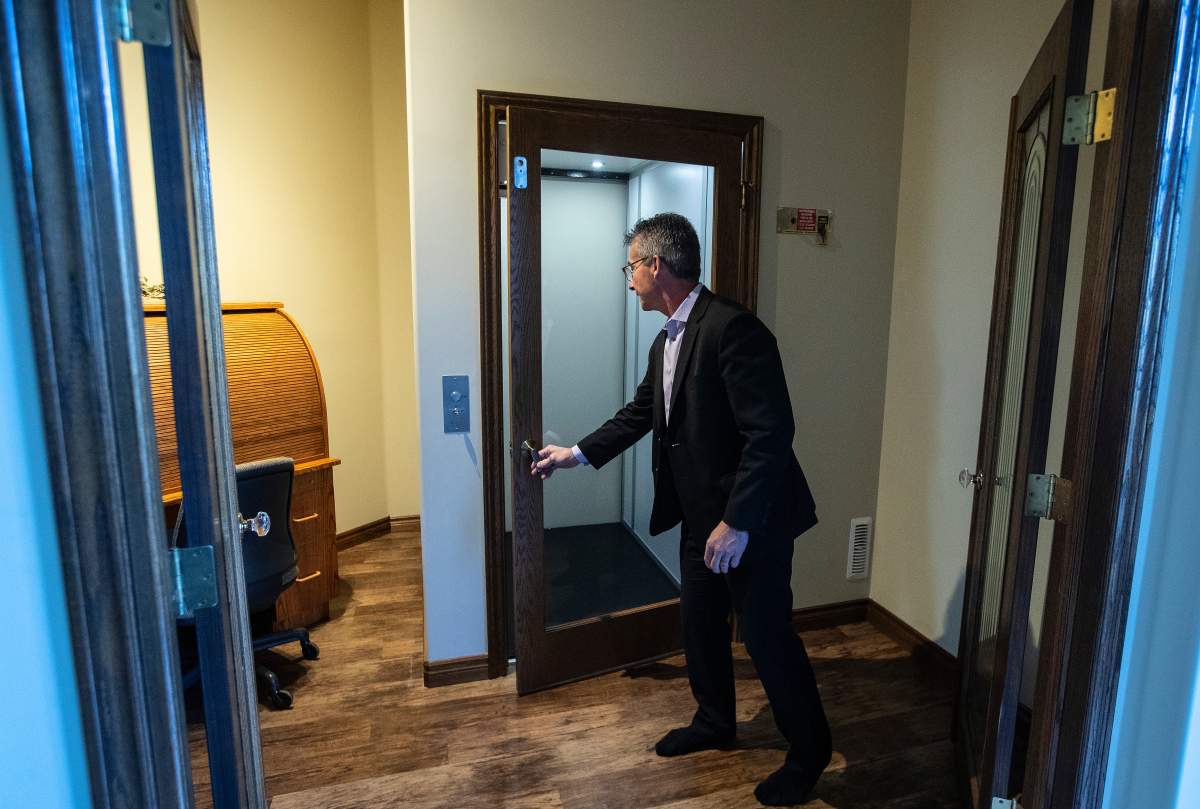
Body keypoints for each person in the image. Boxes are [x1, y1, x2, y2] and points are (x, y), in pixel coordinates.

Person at [532, 212, 832, 806]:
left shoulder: (733, 329)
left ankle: (809, 753)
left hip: (753, 521)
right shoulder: (665, 338)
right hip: (701, 519)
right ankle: (715, 721)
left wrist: (737, 522)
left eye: (630, 267)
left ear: (655, 266)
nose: (628, 280)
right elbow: (640, 414)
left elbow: (770, 434)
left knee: (767, 638)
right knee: (699, 623)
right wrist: (575, 455)